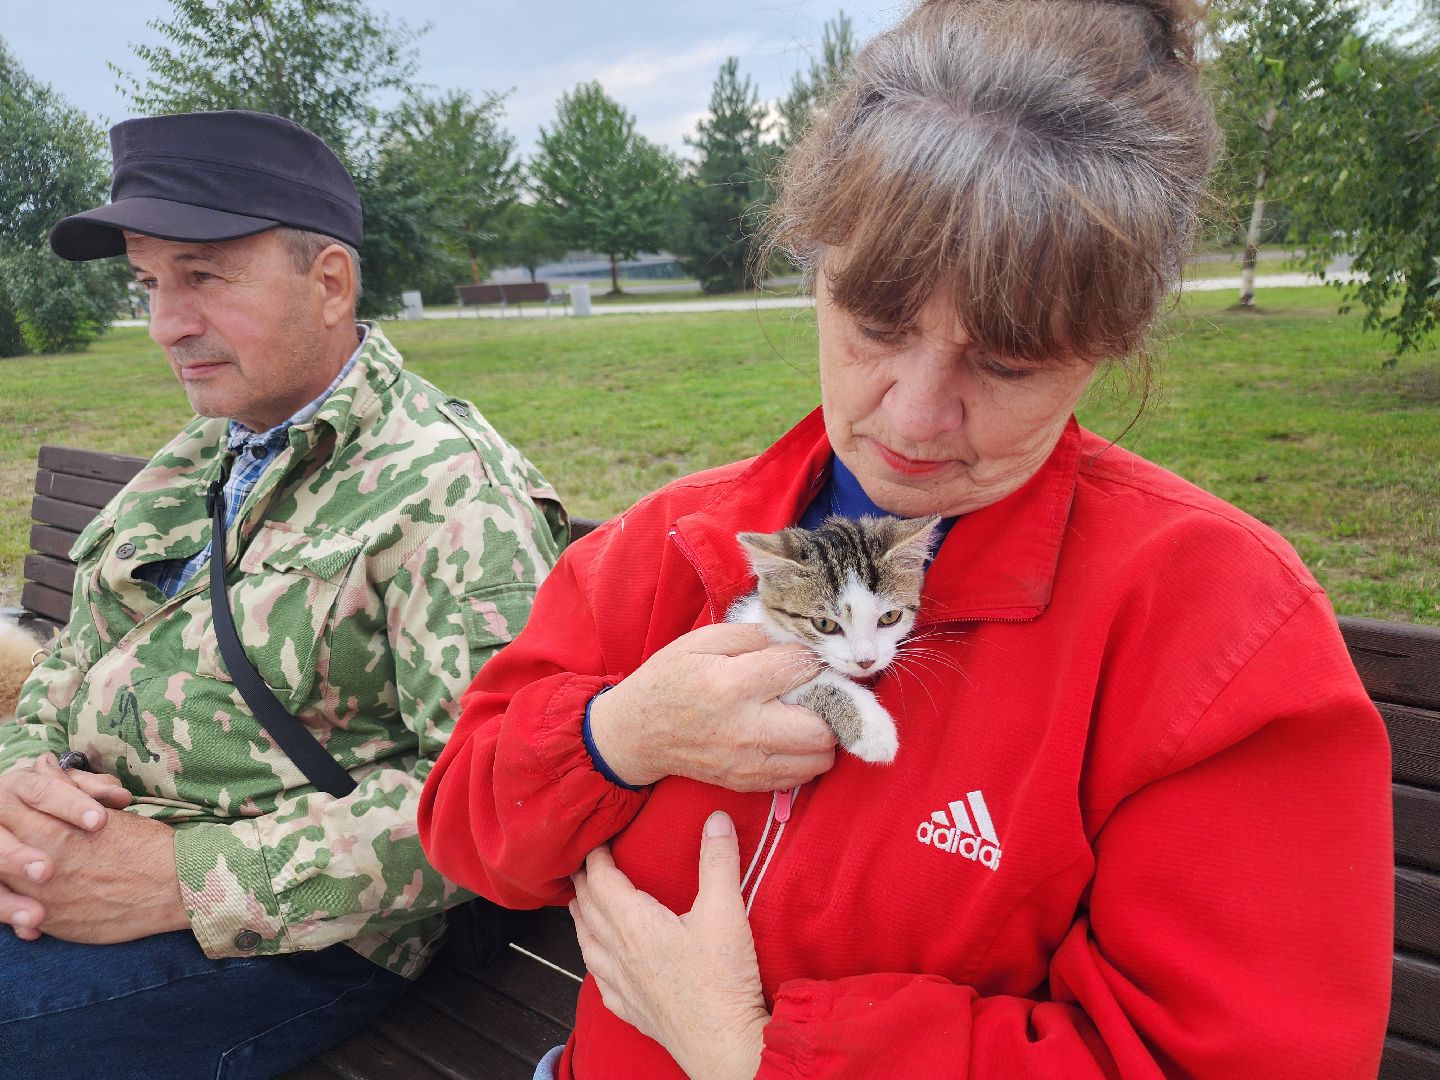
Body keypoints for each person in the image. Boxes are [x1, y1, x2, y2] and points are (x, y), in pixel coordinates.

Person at [421, 1, 1396, 1077]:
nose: (917, 417)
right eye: (878, 326)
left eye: (1008, 362)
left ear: (1110, 345)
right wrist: (616, 733)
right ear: (815, 270)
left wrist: (746, 1052)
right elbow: (467, 837)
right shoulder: (668, 543)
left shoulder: (1217, 629)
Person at [0, 109, 567, 1078]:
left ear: (330, 282)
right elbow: (80, 651)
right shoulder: (203, 452)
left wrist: (181, 880)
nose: (166, 324)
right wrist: (21, 783)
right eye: (150, 283)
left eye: (203, 276)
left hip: (290, 938)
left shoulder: (449, 491)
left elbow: (495, 797)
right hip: (87, 865)